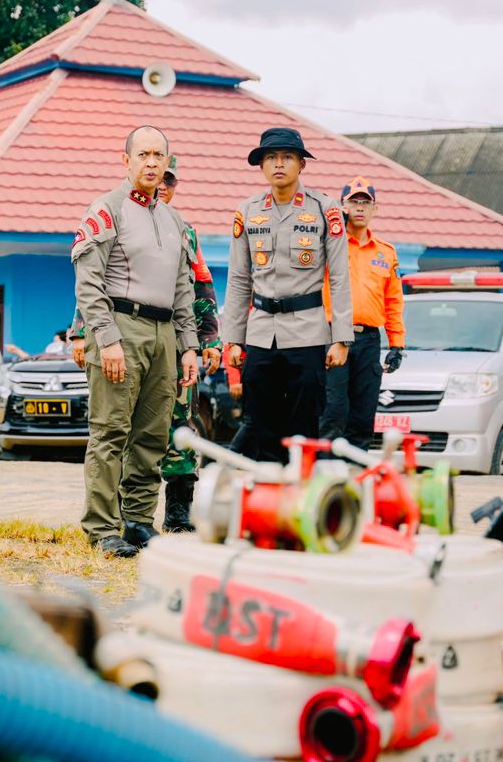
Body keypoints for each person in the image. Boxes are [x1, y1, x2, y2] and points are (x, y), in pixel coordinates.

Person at [72, 126, 199, 558]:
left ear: (167, 162)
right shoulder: (108, 209)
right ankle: (102, 527)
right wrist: (105, 340)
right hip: (121, 327)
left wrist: (189, 346)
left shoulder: (173, 218)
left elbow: (184, 287)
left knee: (152, 434)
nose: (150, 162)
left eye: (158, 155)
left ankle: (138, 520)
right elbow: (88, 283)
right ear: (125, 160)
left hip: (165, 335)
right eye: (142, 154)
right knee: (110, 432)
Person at [221, 127, 352, 462]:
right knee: (259, 422)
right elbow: (238, 279)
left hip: (307, 332)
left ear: (301, 165)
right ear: (262, 166)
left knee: (303, 424)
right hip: (261, 332)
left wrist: (341, 338)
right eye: (271, 158)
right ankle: (266, 498)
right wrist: (233, 339)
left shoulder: (326, 209)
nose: (279, 164)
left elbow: (338, 278)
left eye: (287, 157)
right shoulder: (248, 211)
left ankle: (300, 498)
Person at [154, 157, 223, 532]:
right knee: (133, 427)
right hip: (135, 338)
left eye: (170, 180)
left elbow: (202, 286)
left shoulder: (186, 231)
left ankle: (178, 516)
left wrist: (210, 340)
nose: (163, 185)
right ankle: (124, 515)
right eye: (158, 178)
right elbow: (97, 277)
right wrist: (82, 331)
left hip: (181, 344)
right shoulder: (118, 217)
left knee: (182, 423)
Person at [319, 177, 405, 449]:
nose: (359, 207)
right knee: (333, 409)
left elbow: (393, 300)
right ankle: (326, 475)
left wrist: (397, 345)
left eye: (365, 203)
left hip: (368, 339)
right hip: (332, 337)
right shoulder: (329, 245)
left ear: (374, 209)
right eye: (354, 202)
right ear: (343, 206)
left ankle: (357, 475)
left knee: (363, 412)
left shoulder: (386, 252)